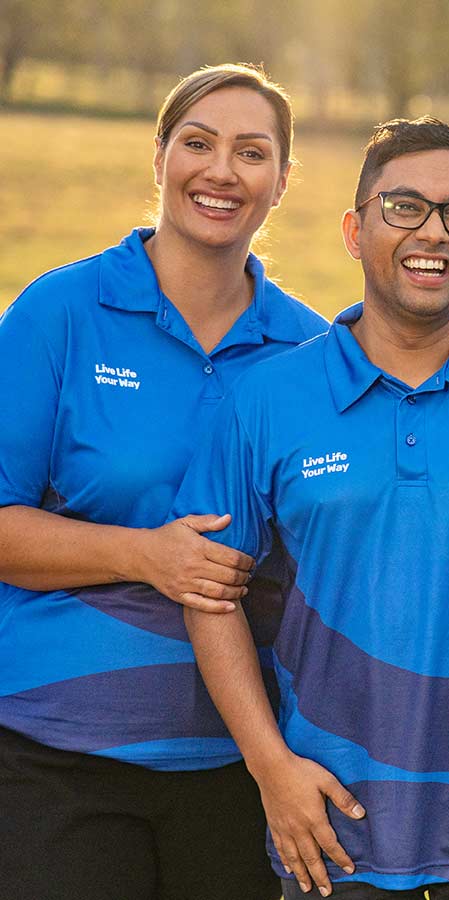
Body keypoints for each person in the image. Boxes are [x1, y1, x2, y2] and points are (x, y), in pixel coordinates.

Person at [174, 115, 449, 900]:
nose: (435, 232)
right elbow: (211, 593)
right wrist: (271, 768)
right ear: (356, 232)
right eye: (405, 207)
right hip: (330, 828)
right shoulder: (268, 397)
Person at [0, 63, 327, 900]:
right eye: (198, 143)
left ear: (282, 181)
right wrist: (146, 556)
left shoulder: (312, 352)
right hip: (56, 757)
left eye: (251, 153)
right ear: (160, 158)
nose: (221, 171)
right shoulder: (59, 312)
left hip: (242, 769)